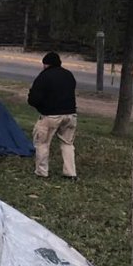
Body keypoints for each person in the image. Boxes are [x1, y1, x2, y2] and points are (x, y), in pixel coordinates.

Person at [28, 51, 77, 180]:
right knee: (67, 144)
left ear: (46, 64)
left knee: (42, 143)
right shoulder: (68, 75)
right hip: (70, 114)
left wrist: (40, 107)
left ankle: (42, 172)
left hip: (50, 116)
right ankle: (70, 173)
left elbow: (34, 98)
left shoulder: (44, 76)